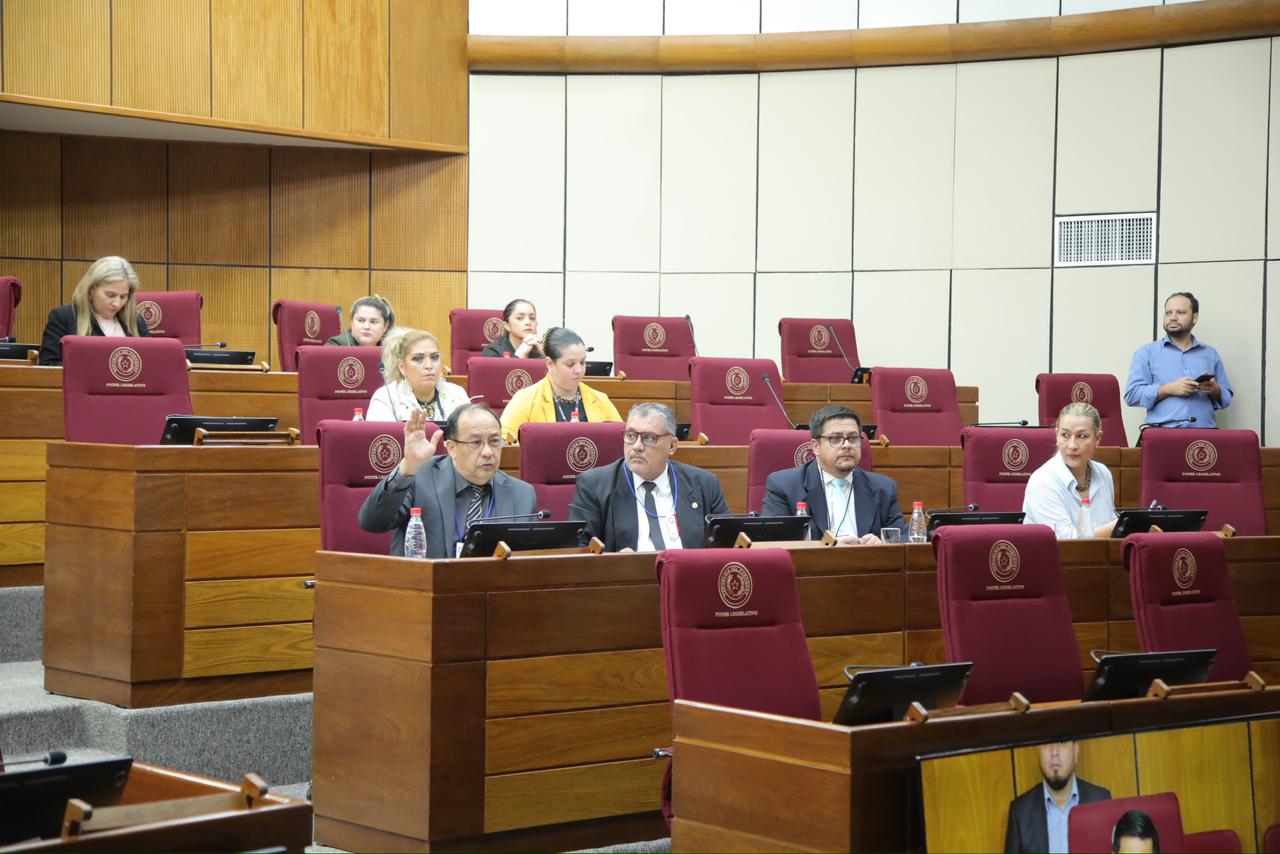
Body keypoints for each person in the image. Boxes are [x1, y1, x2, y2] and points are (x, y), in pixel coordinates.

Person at [358, 403, 536, 558]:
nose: (488, 452)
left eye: (495, 441)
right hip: (428, 590)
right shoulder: (418, 478)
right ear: (451, 448)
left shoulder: (522, 494)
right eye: (476, 442)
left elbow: (528, 563)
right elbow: (372, 522)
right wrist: (408, 467)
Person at [569, 402, 728, 551]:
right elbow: (579, 551)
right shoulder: (594, 485)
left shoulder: (704, 484)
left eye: (649, 438)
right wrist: (614, 563)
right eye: (631, 435)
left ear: (672, 446)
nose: (637, 446)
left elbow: (727, 543)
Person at [761, 406, 907, 544]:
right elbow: (773, 542)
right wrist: (826, 547)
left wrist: (883, 543)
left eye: (853, 438)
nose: (847, 445)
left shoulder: (884, 487)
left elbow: (905, 538)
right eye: (836, 439)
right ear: (816, 447)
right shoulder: (784, 486)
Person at [1124, 291, 1232, 428]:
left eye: (1180, 312)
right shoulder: (1146, 353)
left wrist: (1214, 389)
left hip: (1204, 437)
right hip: (1162, 435)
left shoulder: (1210, 354)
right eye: (1168, 313)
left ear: (1195, 317)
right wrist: (1168, 389)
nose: (1173, 318)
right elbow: (1132, 395)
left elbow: (1227, 398)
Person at [500, 326, 622, 444]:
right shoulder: (525, 399)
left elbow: (620, 440)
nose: (579, 370)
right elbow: (504, 443)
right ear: (550, 364)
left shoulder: (600, 399)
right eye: (570, 364)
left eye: (583, 362)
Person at [1022, 402, 1118, 539]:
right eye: (1065, 435)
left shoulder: (1103, 473)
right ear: (1056, 435)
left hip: (1102, 559)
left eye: (1082, 436)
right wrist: (1121, 525)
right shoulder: (1043, 481)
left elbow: (1109, 528)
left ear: (1098, 438)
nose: (1072, 445)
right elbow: (1066, 542)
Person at [38, 256, 150, 366]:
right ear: (91, 289)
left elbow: (151, 363)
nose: (116, 303)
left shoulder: (136, 322)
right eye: (110, 295)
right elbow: (48, 366)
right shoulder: (64, 317)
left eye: (123, 297)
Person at [1005, 740, 1112, 853]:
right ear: (1038, 751)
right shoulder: (1020, 812)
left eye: (1062, 742)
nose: (1054, 752)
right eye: (1046, 742)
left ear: (1075, 751)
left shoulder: (1101, 801)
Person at [367, 330, 469, 422]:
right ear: (402, 367)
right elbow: (384, 441)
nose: (429, 366)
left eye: (435, 357)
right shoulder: (386, 398)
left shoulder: (457, 394)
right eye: (418, 359)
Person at [325, 295, 394, 347]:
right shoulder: (335, 345)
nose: (366, 327)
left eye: (373, 322)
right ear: (352, 322)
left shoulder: (393, 349)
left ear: (385, 326)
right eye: (361, 320)